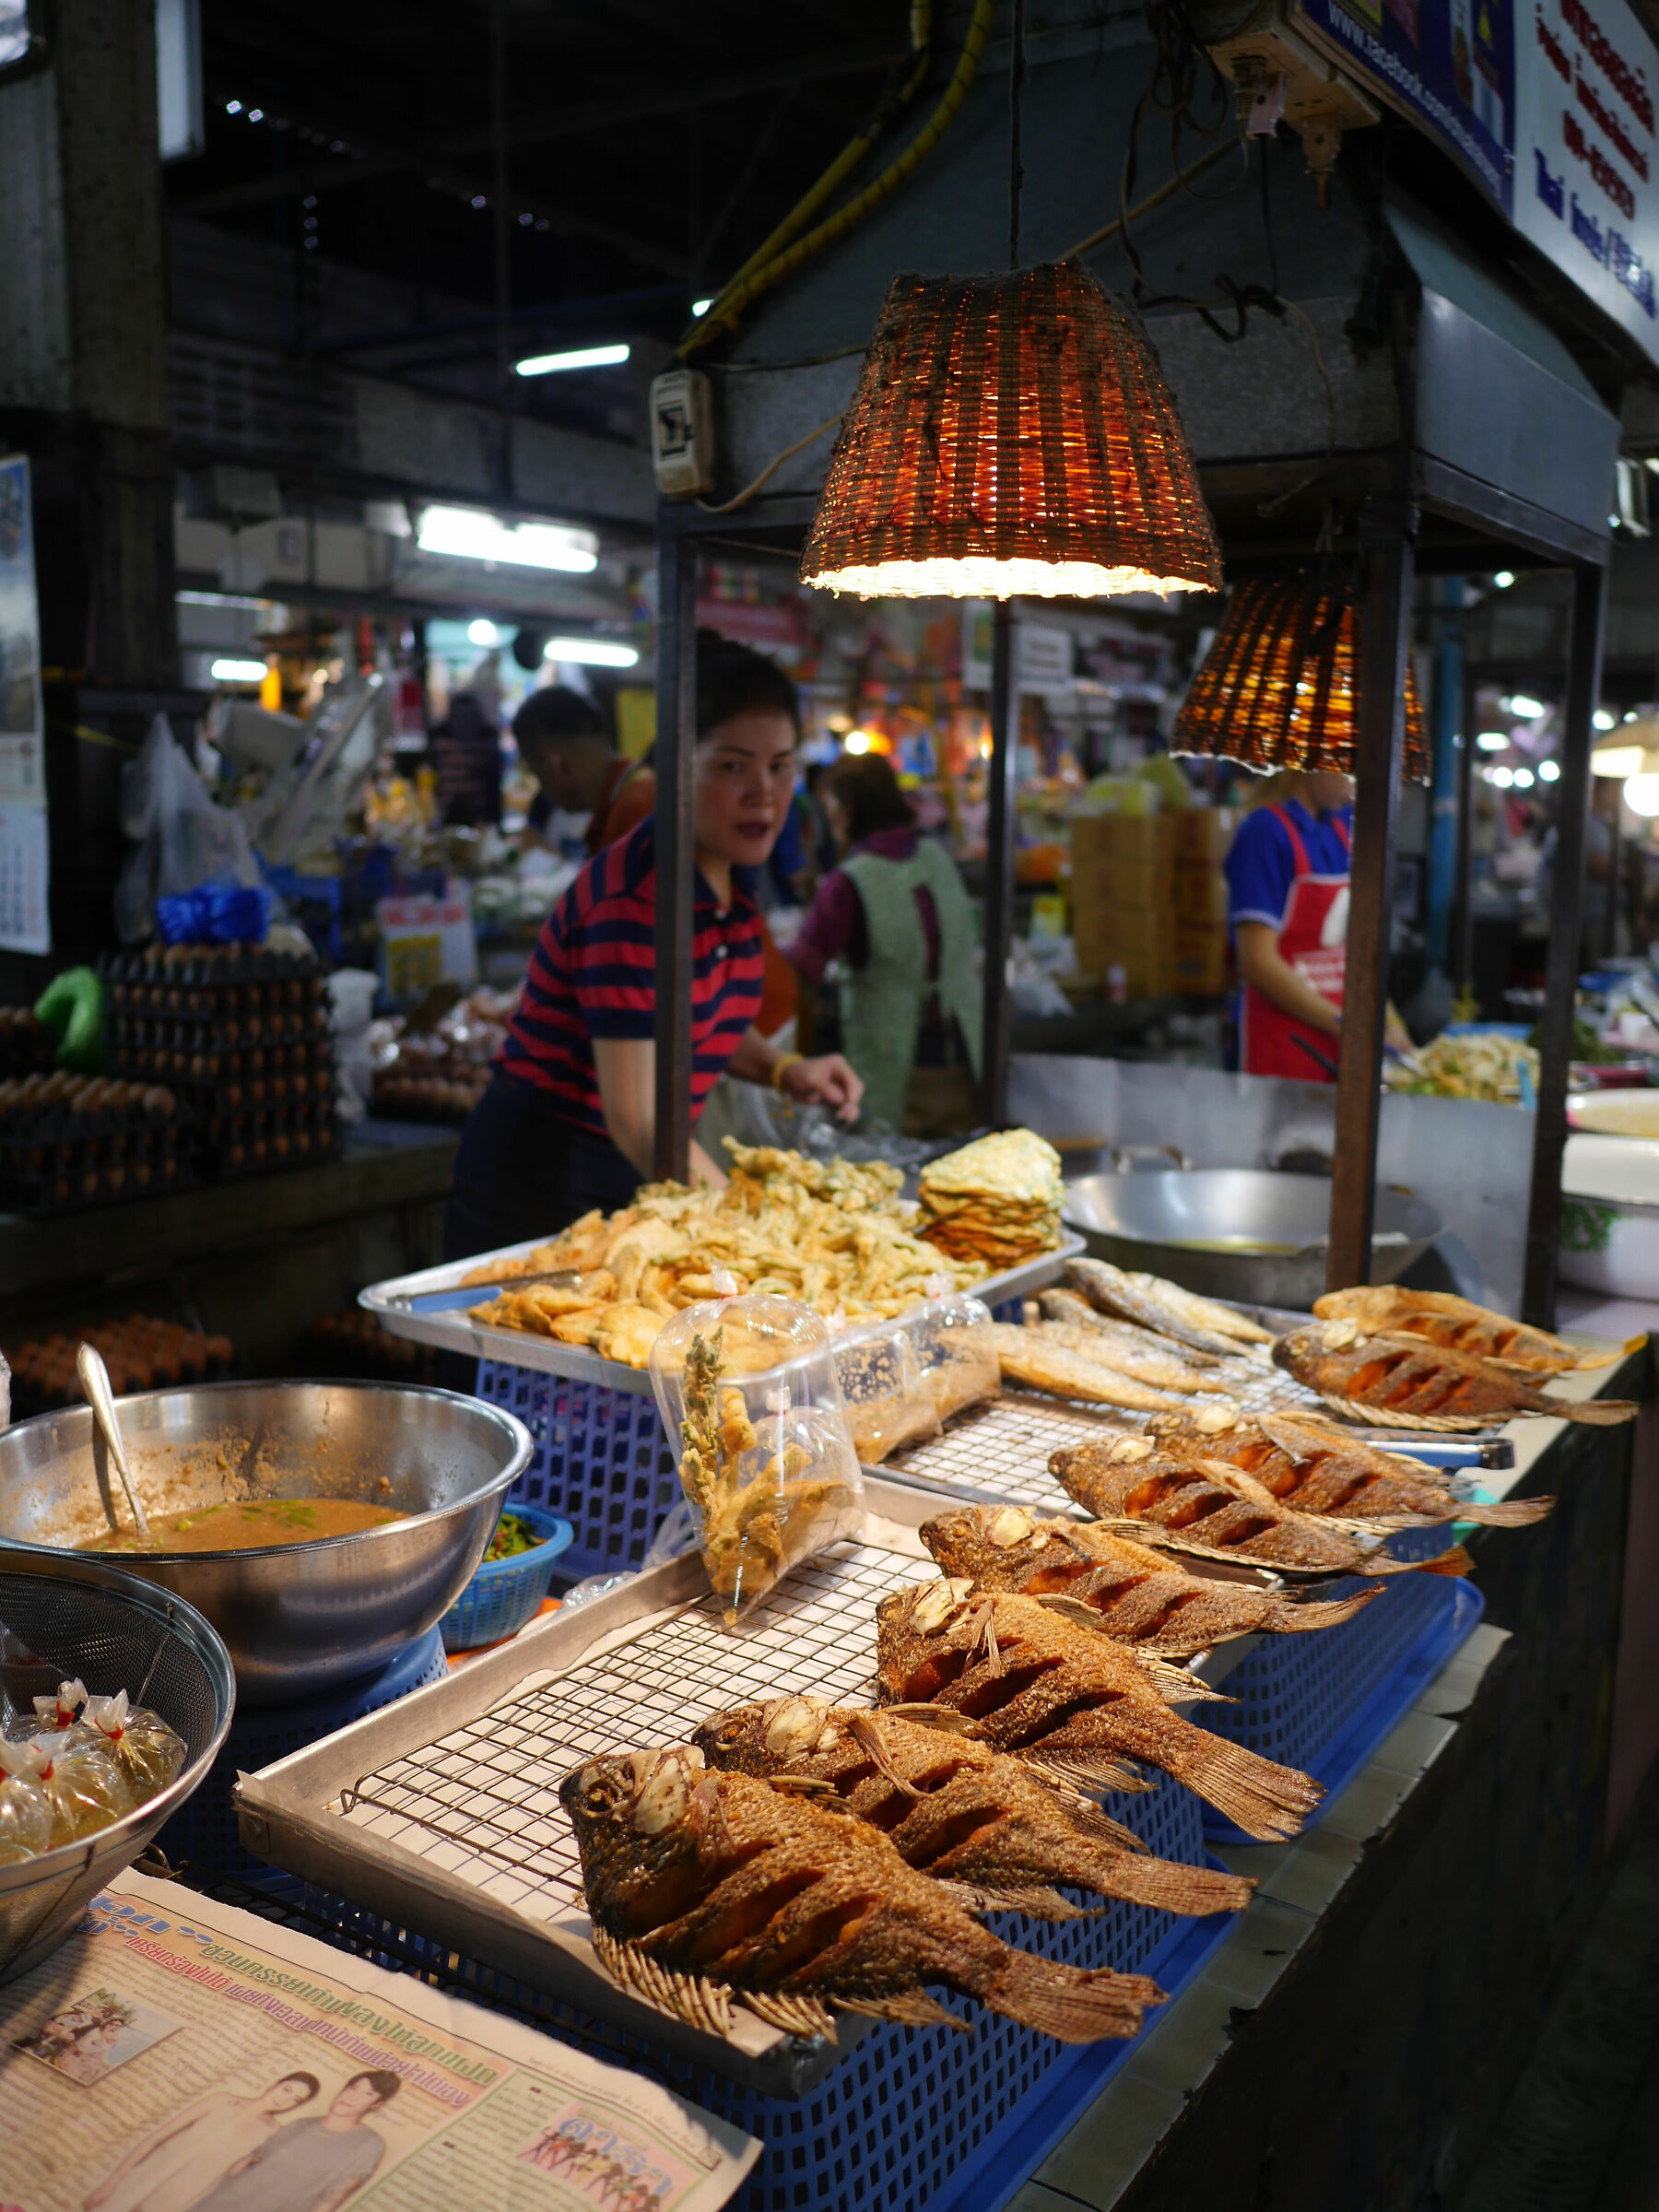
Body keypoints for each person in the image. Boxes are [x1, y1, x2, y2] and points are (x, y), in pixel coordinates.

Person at [444, 632, 863, 1258]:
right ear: (678, 767)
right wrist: (750, 1232)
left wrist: (782, 1069)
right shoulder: (637, 898)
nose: (764, 792)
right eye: (732, 766)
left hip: (634, 1170)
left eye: (780, 766)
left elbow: (690, 1023)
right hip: (546, 1186)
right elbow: (638, 1118)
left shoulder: (727, 877)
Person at [788, 753, 981, 1135]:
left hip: (895, 1073)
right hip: (965, 1055)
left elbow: (801, 970)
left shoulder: (849, 883)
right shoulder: (937, 857)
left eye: (831, 809)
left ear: (847, 809)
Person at [1224, 766, 1408, 1077]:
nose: (1356, 787)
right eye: (1351, 771)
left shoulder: (1340, 827)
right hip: (1283, 1043)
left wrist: (1389, 1021)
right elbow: (1257, 962)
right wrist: (1350, 1027)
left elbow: (1356, 946)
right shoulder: (1265, 833)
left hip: (1341, 1040)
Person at [83, 2074, 321, 2212]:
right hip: (150, 2176)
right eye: (286, 2089)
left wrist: (261, 2160)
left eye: (295, 2099)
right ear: (275, 2084)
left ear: (296, 2106)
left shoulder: (273, 2133)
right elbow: (157, 2137)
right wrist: (111, 2182)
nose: (284, 2099)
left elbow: (232, 2173)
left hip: (183, 2198)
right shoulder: (222, 2101)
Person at [188, 2070, 400, 2212]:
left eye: (368, 2094)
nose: (352, 2097)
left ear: (376, 2104)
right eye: (353, 2088)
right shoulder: (301, 2125)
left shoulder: (369, 2144)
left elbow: (333, 2198)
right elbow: (246, 2164)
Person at [514, 685, 655, 855]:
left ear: (556, 763)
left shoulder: (636, 808)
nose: (543, 790)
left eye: (537, 774)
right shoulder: (624, 798)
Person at [427, 690, 502, 828]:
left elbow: (493, 784)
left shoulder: (487, 737)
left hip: (475, 818)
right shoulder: (438, 736)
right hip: (447, 815)